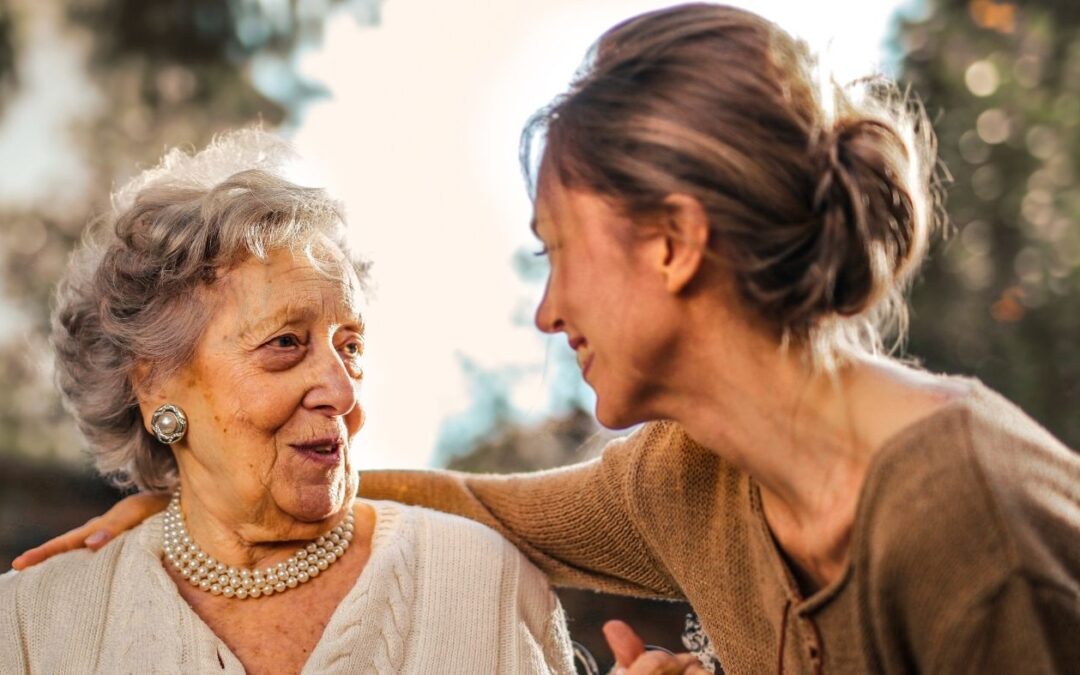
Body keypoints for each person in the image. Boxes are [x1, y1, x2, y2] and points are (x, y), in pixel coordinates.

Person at [16, 4, 1080, 674]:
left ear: (672, 243)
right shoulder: (688, 481)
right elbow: (473, 502)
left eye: (559, 251)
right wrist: (193, 482)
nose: (548, 310)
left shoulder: (968, 518)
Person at [0, 129, 575, 674]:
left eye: (350, 346)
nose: (343, 391)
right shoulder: (31, 624)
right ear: (155, 387)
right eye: (285, 343)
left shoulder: (485, 584)